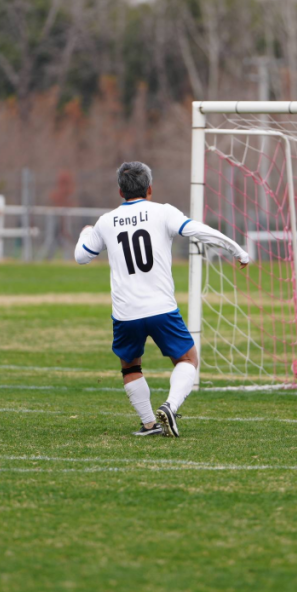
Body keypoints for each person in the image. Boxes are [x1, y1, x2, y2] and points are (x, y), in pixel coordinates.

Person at [75, 161, 250, 437]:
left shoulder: (106, 221)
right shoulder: (163, 212)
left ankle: (148, 424)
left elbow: (81, 256)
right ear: (150, 189)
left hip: (125, 312)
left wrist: (86, 232)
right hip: (161, 308)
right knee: (188, 359)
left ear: (120, 192)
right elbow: (198, 230)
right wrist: (237, 249)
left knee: (130, 366)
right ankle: (170, 405)